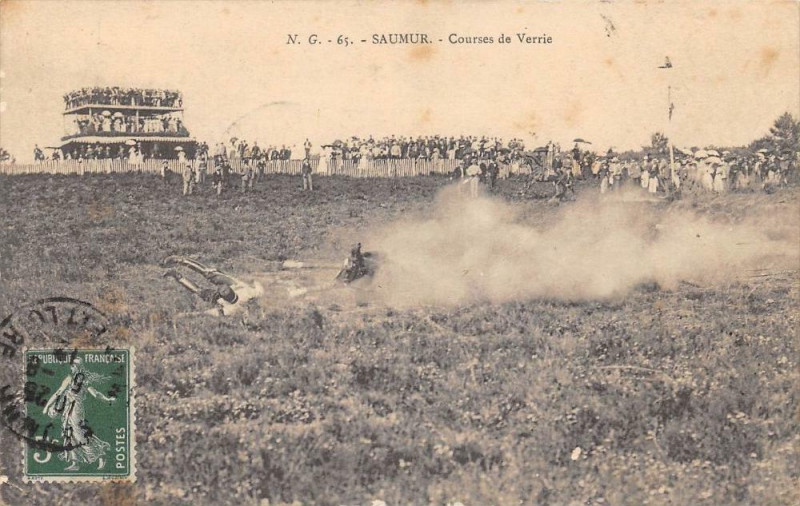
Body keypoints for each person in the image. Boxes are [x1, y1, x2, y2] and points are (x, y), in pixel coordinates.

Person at [43, 357, 116, 471]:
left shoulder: (84, 381)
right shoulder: (69, 379)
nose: (72, 368)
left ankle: (100, 454)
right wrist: (48, 405)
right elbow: (59, 393)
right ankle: (75, 462)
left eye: (74, 366)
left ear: (78, 367)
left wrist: (107, 399)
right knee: (69, 433)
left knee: (79, 434)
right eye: (72, 366)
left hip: (77, 409)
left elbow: (95, 393)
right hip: (67, 409)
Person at [162, 256, 264, 316]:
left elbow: (208, 313)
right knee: (209, 273)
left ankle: (177, 275)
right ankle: (181, 260)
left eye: (222, 291)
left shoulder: (231, 308)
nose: (220, 288)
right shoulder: (250, 293)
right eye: (224, 289)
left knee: (199, 291)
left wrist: (187, 315)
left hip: (226, 294)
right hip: (233, 283)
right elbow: (257, 285)